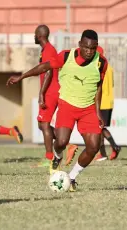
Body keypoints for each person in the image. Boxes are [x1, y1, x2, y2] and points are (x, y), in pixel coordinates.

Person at [8, 29, 108, 191]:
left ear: (97, 47)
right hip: (67, 106)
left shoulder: (101, 62)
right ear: (80, 45)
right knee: (61, 142)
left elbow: (98, 87)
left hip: (88, 109)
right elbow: (44, 67)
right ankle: (57, 157)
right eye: (86, 47)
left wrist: (98, 111)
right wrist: (21, 77)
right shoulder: (66, 56)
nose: (89, 51)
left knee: (93, 147)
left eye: (93, 48)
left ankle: (72, 177)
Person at [11, 25, 78, 165]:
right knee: (41, 125)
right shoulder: (46, 50)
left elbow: (49, 71)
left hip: (50, 92)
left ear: (40, 36)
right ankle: (67, 144)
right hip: (50, 91)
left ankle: (49, 158)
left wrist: (42, 94)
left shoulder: (49, 50)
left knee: (45, 125)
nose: (34, 37)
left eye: (35, 35)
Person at [94, 46, 121, 161]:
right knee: (100, 127)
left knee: (99, 127)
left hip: (101, 102)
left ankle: (113, 147)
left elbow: (97, 86)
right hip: (109, 101)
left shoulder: (98, 66)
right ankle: (104, 152)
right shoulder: (109, 67)